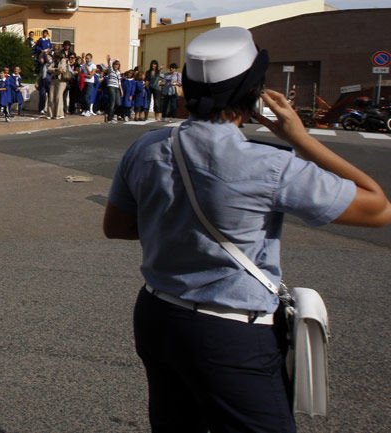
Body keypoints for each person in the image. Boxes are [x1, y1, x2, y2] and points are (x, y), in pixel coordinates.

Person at [103, 27, 391, 433]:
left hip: (157, 312)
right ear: (254, 93)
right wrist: (300, 138)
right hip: (231, 328)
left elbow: (116, 227)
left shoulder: (146, 147)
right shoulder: (269, 165)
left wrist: (175, 230)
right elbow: (377, 207)